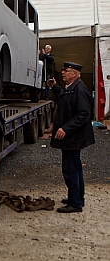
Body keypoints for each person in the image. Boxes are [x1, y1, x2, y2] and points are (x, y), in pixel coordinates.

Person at [47, 62, 95, 213]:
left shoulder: (79, 90)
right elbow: (64, 99)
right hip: (73, 137)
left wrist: (65, 128)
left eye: (66, 71)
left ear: (74, 74)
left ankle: (75, 203)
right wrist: (55, 86)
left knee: (70, 169)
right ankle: (77, 197)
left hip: (74, 137)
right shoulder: (72, 88)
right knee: (75, 167)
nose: (63, 73)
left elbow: (84, 114)